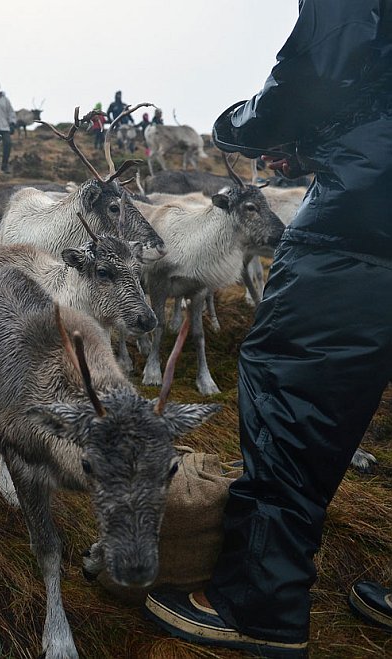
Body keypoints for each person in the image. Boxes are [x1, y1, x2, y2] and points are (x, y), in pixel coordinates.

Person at [145, 1, 392, 657]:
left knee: (295, 393)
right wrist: (322, 143)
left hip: (364, 226)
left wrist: (243, 125)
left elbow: (321, 66)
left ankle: (259, 605)